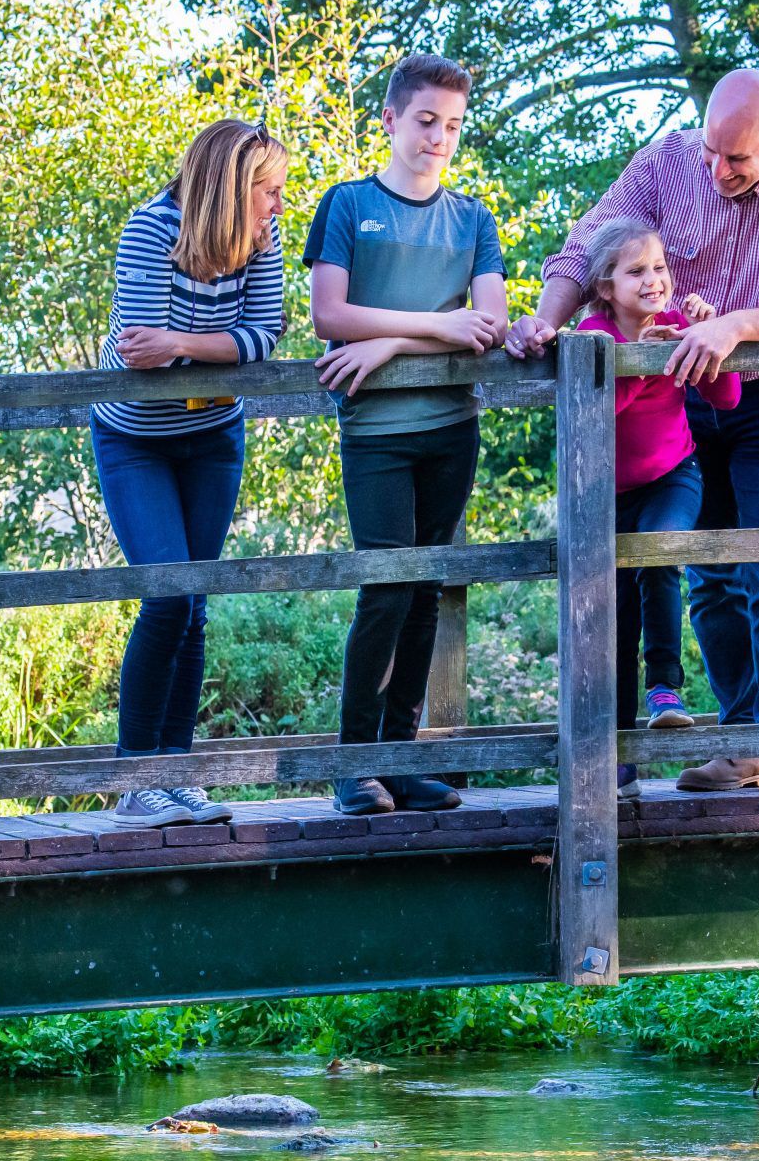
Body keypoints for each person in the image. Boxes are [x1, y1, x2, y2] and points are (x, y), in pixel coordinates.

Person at [507, 68, 759, 792]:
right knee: (709, 573)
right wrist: (547, 318)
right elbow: (586, 249)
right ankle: (740, 746)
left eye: (738, 159)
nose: (718, 169)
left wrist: (737, 325)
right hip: (680, 397)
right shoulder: (665, 163)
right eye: (712, 152)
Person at [306, 53, 508, 816]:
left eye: (453, 126)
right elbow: (331, 317)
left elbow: (483, 328)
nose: (439, 138)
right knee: (386, 590)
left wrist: (390, 342)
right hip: (376, 432)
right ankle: (355, 765)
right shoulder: (347, 204)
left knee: (426, 591)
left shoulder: (473, 219)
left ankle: (402, 757)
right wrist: (435, 325)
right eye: (426, 121)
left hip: (451, 428)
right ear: (390, 121)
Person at [94, 119, 290, 827]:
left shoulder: (260, 242)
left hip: (213, 436)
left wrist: (181, 341)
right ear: (231, 186)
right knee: (168, 594)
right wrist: (208, 348)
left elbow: (264, 335)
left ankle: (177, 774)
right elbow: (137, 349)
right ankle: (135, 781)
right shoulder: (150, 230)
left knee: (197, 598)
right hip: (135, 440)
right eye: (268, 191)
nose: (277, 206)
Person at [569, 216, 741, 799]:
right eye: (636, 271)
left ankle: (665, 688)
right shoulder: (595, 334)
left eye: (660, 268)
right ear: (605, 286)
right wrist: (640, 363)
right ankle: (619, 760)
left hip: (674, 476)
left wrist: (705, 335)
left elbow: (726, 396)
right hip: (609, 492)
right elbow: (603, 411)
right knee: (615, 610)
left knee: (661, 555)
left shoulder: (675, 325)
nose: (653, 280)